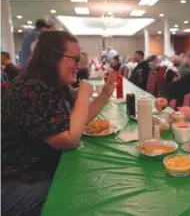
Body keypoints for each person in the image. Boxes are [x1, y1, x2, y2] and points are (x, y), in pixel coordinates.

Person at [1, 31, 118, 216]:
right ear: (53, 57)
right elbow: (69, 139)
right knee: (92, 195)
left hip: (42, 171)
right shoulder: (31, 88)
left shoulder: (51, 84)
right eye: (74, 59)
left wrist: (104, 95)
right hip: (21, 183)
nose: (78, 65)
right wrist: (82, 96)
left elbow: (76, 123)